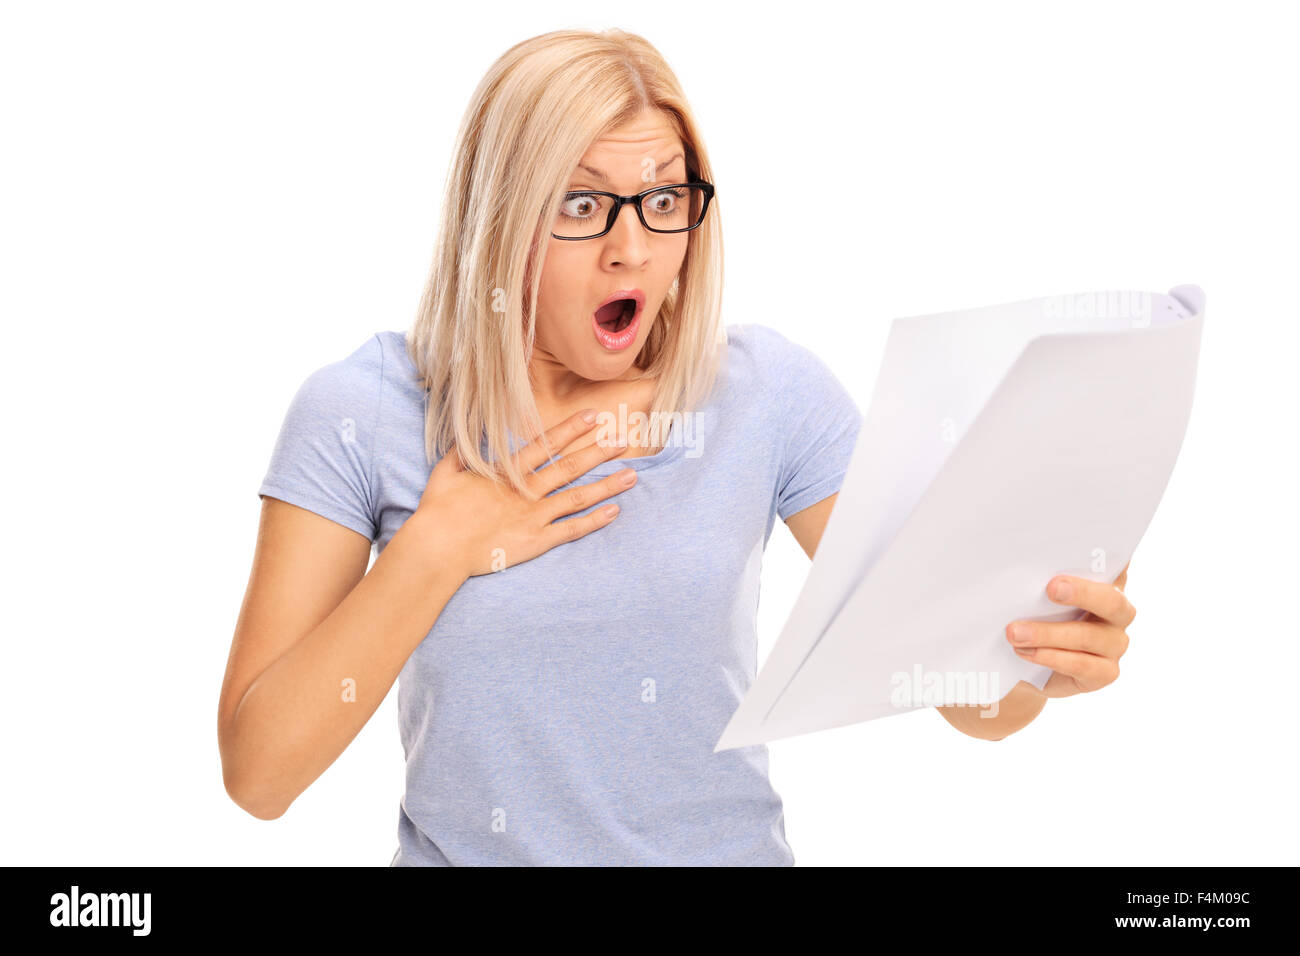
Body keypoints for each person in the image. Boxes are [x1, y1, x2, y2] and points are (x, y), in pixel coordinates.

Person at [218, 28, 1137, 866]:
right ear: (495, 221)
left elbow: (970, 701)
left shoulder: (767, 395)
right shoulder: (363, 411)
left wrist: (1037, 662)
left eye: (663, 199)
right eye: (581, 203)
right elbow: (259, 779)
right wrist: (435, 548)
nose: (633, 250)